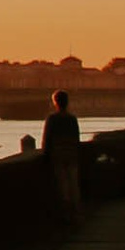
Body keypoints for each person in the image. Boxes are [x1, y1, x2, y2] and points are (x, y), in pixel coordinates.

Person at [41, 87, 84, 219]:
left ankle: (66, 211)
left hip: (58, 155)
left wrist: (45, 154)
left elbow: (47, 138)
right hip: (72, 154)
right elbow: (76, 138)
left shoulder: (52, 119)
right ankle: (76, 211)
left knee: (62, 183)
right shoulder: (72, 119)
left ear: (56, 102)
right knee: (73, 183)